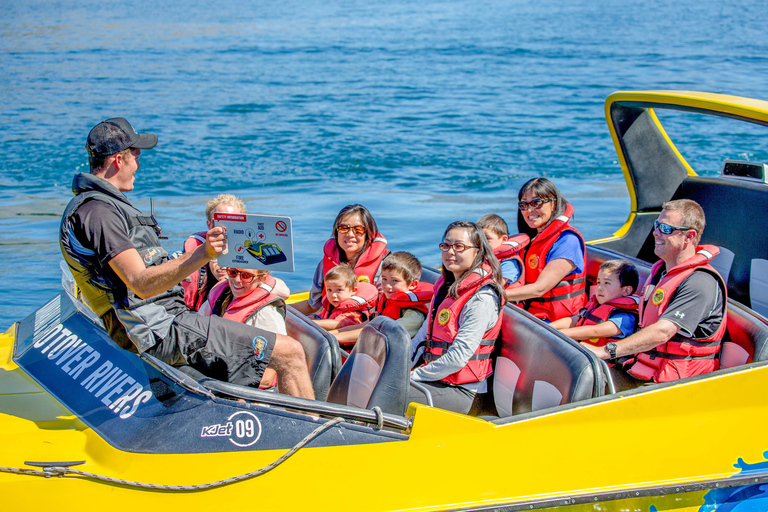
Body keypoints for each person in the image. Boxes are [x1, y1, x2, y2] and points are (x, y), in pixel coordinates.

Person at [59, 118, 314, 399]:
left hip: (163, 322)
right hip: (162, 329)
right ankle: (315, 439)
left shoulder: (99, 205)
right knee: (290, 353)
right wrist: (202, 254)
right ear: (119, 159)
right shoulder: (98, 212)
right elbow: (140, 284)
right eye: (136, 156)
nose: (138, 165)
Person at [581, 199, 727, 389]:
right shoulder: (661, 274)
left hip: (677, 383)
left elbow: (663, 331)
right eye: (657, 225)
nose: (656, 232)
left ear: (689, 236)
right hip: (643, 368)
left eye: (666, 229)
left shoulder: (700, 282)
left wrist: (606, 351)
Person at [407, 221, 505, 415]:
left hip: (463, 392)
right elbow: (420, 339)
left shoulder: (482, 298)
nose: (450, 252)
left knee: (385, 392)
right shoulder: (445, 288)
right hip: (437, 379)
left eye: (459, 246)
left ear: (478, 252)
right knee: (372, 381)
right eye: (446, 245)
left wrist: (413, 376)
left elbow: (457, 358)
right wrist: (399, 369)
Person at [182, 194, 289, 310]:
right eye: (221, 221)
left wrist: (238, 278)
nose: (226, 227)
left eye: (233, 222)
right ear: (210, 224)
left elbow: (284, 292)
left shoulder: (250, 250)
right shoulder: (197, 250)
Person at [505, 178, 587, 321]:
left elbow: (539, 288)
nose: (529, 210)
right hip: (530, 315)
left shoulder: (568, 241)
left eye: (536, 203)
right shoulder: (530, 241)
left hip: (558, 322)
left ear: (554, 204)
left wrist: (491, 294)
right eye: (524, 205)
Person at [199, 268, 286, 389]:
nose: (237, 280)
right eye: (233, 272)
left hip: (249, 393)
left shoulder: (267, 314)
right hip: (211, 377)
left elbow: (269, 375)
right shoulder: (219, 298)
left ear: (261, 278)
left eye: (246, 276)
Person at [293, 204, 387, 315]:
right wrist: (277, 309)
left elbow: (386, 310)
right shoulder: (326, 263)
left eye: (358, 230)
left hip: (365, 326)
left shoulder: (383, 265)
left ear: (367, 233)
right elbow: (313, 305)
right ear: (336, 231)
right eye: (344, 228)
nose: (350, 234)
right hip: (330, 322)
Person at [330, 251, 432, 344]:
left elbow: (376, 333)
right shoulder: (388, 302)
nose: (387, 285)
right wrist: (332, 334)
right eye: (384, 279)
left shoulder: (414, 316)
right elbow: (366, 325)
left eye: (395, 281)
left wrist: (337, 338)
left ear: (413, 284)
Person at [549, 260, 639, 347]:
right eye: (599, 282)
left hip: (600, 360)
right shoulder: (595, 304)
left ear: (626, 290)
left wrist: (559, 333)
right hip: (578, 351)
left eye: (607, 283)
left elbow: (596, 331)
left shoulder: (625, 317)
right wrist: (548, 328)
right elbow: (574, 320)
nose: (599, 287)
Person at [312, 264, 378, 331]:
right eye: (329, 290)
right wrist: (304, 319)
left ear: (353, 290)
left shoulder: (354, 313)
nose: (333, 295)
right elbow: (318, 317)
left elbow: (336, 324)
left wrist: (312, 323)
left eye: (339, 290)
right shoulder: (331, 306)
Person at [477, 214, 527, 291]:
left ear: (504, 239)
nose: (482, 243)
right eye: (479, 239)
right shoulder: (483, 258)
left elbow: (498, 283)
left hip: (508, 302)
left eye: (487, 238)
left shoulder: (509, 261)